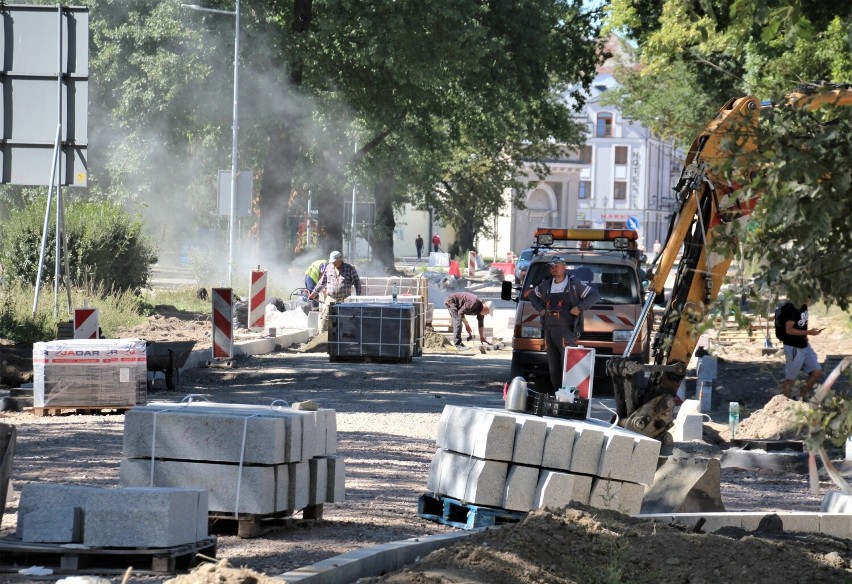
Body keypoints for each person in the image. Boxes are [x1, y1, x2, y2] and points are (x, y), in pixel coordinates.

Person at [530, 258, 600, 392]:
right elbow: (532, 295)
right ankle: (558, 394)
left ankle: (569, 395)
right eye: (551, 267)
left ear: (564, 267)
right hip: (549, 332)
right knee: (554, 367)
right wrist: (540, 309)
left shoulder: (574, 284)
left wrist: (580, 307)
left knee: (567, 365)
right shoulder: (546, 285)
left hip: (567, 333)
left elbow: (594, 295)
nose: (554, 269)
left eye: (556, 266)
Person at [778, 296, 823, 400]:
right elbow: (789, 330)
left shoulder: (804, 307)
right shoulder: (792, 308)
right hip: (793, 347)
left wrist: (806, 336)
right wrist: (809, 332)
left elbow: (800, 326)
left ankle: (800, 397)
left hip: (805, 346)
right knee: (790, 379)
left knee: (817, 372)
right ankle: (785, 405)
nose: (811, 299)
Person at [309, 251, 362, 334]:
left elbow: (357, 283)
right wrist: (313, 293)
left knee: (345, 319)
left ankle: (344, 338)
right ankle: (320, 336)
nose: (333, 263)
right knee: (324, 317)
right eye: (332, 262)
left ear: (340, 259)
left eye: (335, 262)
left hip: (345, 299)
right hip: (331, 298)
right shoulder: (329, 268)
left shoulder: (350, 268)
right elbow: (322, 282)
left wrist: (358, 298)